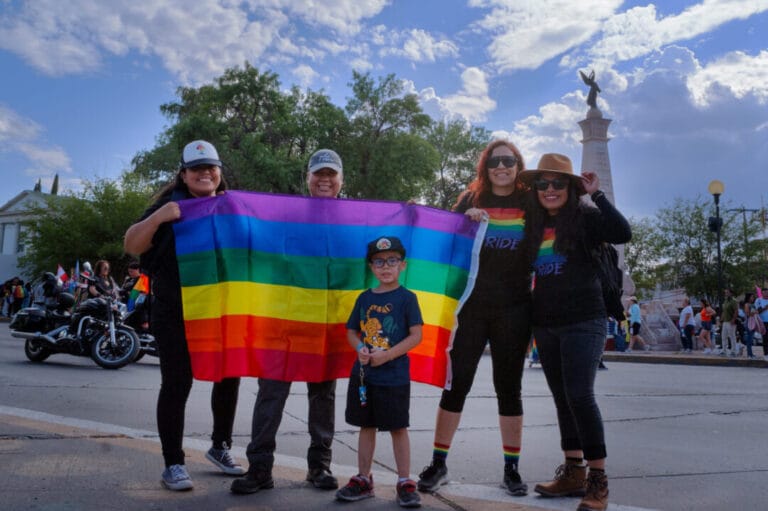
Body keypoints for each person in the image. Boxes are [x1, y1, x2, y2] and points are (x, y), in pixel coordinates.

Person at [123, 140, 244, 491]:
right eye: (197, 168)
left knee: (228, 377)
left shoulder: (231, 207)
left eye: (211, 167)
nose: (205, 173)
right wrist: (160, 217)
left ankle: (220, 447)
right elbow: (131, 244)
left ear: (219, 172)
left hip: (219, 311)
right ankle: (173, 463)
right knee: (177, 384)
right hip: (174, 311)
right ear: (183, 173)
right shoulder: (169, 205)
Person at [416, 140, 532, 497]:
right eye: (495, 161)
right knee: (456, 385)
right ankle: (439, 462)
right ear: (486, 166)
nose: (502, 167)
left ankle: (511, 468)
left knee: (509, 390)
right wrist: (462, 221)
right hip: (470, 310)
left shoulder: (530, 201)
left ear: (517, 165)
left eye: (509, 161)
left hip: (514, 310)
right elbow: (446, 241)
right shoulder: (471, 198)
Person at [519, 153, 631, 511]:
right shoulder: (533, 223)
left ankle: (597, 481)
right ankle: (573, 471)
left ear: (569, 187)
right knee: (562, 397)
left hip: (585, 319)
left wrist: (595, 195)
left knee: (580, 395)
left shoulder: (586, 218)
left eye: (557, 183)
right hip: (546, 323)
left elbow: (622, 232)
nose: (549, 190)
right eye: (542, 183)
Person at [231, 149, 344, 495]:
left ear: (341, 180)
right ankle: (260, 468)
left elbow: (381, 252)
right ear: (307, 178)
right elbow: (256, 240)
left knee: (322, 396)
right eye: (318, 174)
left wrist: (410, 215)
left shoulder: (354, 219)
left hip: (326, 323)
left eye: (331, 174)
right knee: (270, 394)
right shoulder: (287, 215)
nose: (324, 180)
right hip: (282, 321)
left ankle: (319, 466)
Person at [334, 236, 424, 508]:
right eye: (379, 262)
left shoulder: (408, 298)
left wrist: (387, 355)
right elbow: (352, 331)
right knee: (366, 425)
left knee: (398, 427)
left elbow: (416, 335)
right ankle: (364, 478)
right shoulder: (364, 298)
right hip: (365, 375)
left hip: (394, 376)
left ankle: (405, 481)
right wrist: (361, 347)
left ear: (403, 266)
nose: (386, 267)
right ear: (371, 266)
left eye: (392, 261)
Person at [718, 288, 739, 356]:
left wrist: (733, 319)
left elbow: (736, 311)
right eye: (725, 292)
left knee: (732, 336)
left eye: (727, 292)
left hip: (731, 321)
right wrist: (721, 320)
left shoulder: (734, 301)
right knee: (723, 336)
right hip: (725, 321)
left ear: (731, 293)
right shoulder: (726, 301)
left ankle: (733, 351)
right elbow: (724, 311)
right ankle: (724, 350)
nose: (726, 294)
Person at [741, 293, 757, 359]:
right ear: (748, 297)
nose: (753, 298)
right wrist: (754, 313)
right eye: (752, 297)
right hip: (749, 322)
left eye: (753, 297)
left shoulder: (753, 304)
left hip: (753, 322)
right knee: (749, 339)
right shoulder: (747, 304)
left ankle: (751, 354)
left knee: (751, 339)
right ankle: (749, 354)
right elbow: (747, 314)